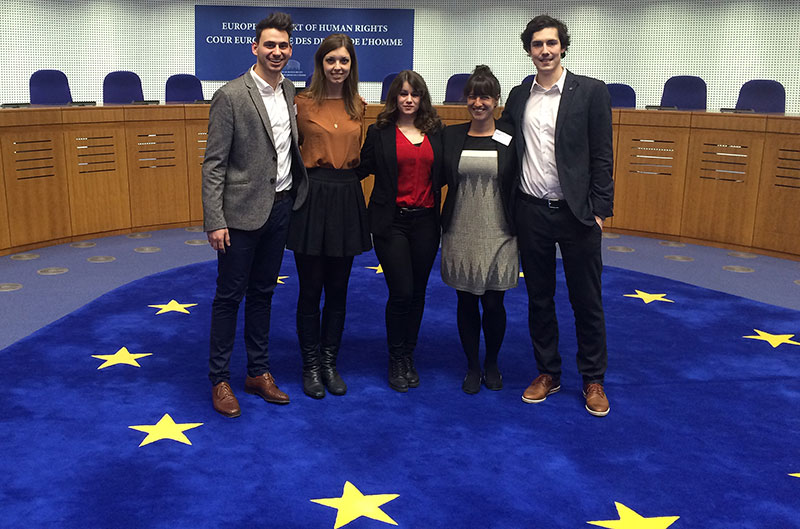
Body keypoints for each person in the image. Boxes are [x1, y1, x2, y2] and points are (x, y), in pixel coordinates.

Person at [500, 15, 614, 416]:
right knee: (540, 298)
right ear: (528, 50)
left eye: (551, 43)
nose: (544, 51)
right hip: (531, 211)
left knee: (587, 299)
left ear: (563, 46)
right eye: (536, 45)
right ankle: (548, 371)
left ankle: (593, 379)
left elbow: (602, 154)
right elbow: (503, 143)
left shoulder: (592, 92)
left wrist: (600, 211)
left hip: (578, 215)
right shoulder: (518, 96)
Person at [202, 12, 308, 417]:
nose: (277, 52)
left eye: (283, 46)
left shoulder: (290, 91)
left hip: (281, 207)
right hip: (239, 216)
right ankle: (220, 379)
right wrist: (215, 219)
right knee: (229, 297)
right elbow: (213, 164)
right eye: (270, 45)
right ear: (255, 48)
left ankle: (257, 372)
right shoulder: (231, 95)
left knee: (263, 294)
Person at [286, 34, 371, 399]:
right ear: (320, 63)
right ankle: (310, 366)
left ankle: (329, 362)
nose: (338, 67)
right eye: (331, 60)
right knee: (310, 289)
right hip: (312, 196)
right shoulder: (300, 103)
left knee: (338, 290)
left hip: (346, 196)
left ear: (352, 66)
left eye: (345, 61)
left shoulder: (359, 106)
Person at [358, 70, 444, 393]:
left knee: (419, 292)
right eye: (403, 94)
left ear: (422, 98)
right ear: (394, 97)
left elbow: (446, 172)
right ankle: (395, 357)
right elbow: (359, 168)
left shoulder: (436, 132)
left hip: (426, 222)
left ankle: (409, 355)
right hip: (390, 222)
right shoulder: (379, 133)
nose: (409, 100)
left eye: (415, 94)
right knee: (402, 291)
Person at [440, 65, 518, 395]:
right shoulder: (452, 135)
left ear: (497, 101)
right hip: (460, 229)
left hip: (500, 231)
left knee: (494, 303)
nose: (478, 102)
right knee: (466, 302)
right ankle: (472, 364)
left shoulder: (511, 138)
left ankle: (492, 363)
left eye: (485, 96)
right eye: (473, 95)